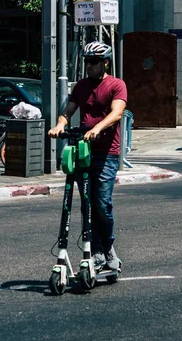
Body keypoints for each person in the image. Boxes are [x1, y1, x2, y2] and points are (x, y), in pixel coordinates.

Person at [48, 41, 128, 272]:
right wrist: (59, 125)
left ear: (105, 62)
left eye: (93, 62)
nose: (89, 66)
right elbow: (68, 110)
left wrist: (97, 129)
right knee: (87, 204)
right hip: (83, 151)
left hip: (107, 154)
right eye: (86, 62)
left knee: (102, 203)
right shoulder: (82, 86)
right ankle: (96, 252)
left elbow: (117, 112)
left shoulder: (116, 85)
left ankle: (107, 246)